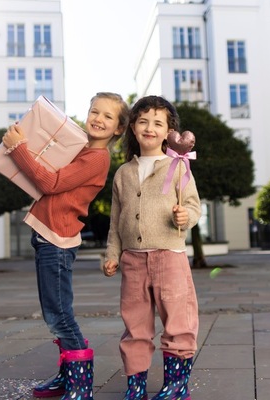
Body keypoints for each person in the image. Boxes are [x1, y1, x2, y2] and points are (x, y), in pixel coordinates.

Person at [3, 92, 129, 400]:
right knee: (53, 313)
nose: (98, 119)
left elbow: (50, 183)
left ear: (118, 129)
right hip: (47, 234)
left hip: (57, 239)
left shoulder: (97, 158)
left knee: (58, 314)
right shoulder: (80, 147)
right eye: (94, 111)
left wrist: (18, 148)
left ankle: (80, 384)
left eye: (107, 116)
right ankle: (67, 375)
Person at [102, 95, 201, 400]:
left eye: (158, 123)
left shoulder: (178, 166)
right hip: (133, 260)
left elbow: (193, 206)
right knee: (136, 324)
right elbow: (116, 220)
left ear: (169, 131)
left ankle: (176, 384)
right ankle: (136, 385)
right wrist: (112, 253)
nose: (150, 127)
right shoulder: (123, 174)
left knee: (179, 320)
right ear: (132, 127)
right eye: (143, 121)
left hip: (170, 257)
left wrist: (186, 216)